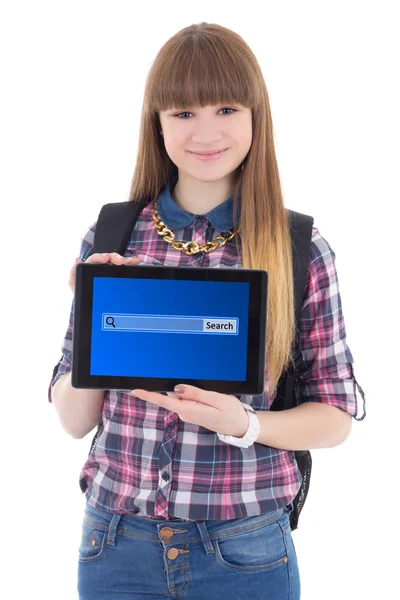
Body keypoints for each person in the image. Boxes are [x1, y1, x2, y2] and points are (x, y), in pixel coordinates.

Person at [48, 22, 366, 600]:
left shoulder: (300, 246)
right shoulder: (113, 234)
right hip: (114, 544)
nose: (206, 133)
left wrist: (243, 425)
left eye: (225, 107)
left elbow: (336, 417)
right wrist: (97, 312)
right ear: (158, 123)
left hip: (245, 549)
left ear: (255, 116)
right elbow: (72, 421)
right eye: (183, 113)